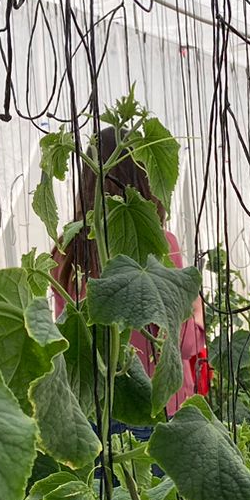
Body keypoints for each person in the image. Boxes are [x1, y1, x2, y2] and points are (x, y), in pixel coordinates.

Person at [51, 126, 210, 424]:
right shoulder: (162, 245)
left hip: (93, 409)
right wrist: (197, 310)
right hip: (154, 407)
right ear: (145, 182)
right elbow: (185, 344)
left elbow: (68, 341)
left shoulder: (65, 248)